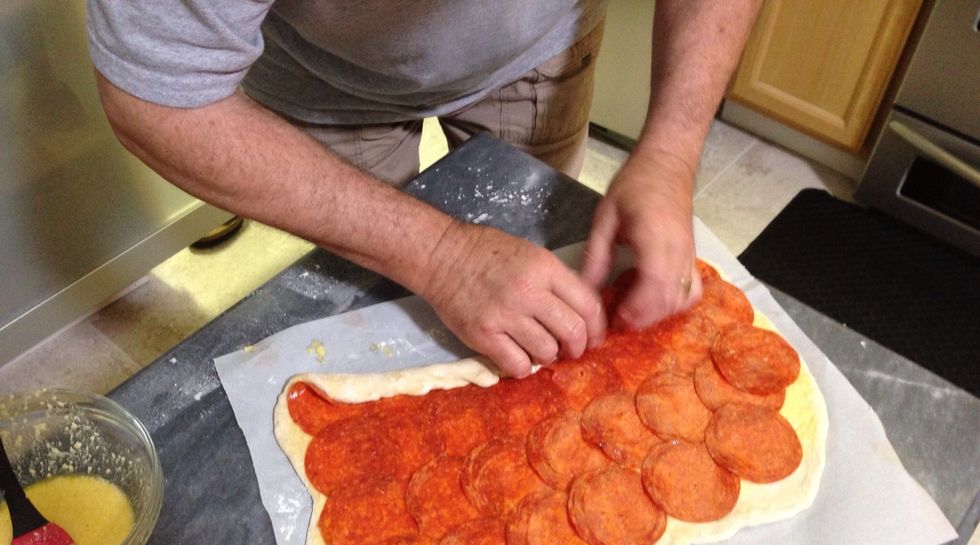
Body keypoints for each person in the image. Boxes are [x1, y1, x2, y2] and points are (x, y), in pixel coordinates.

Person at [87, 0, 761, 377]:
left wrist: (672, 150)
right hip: (327, 81)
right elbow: (158, 95)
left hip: (540, 45)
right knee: (382, 331)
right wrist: (440, 256)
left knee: (539, 324)